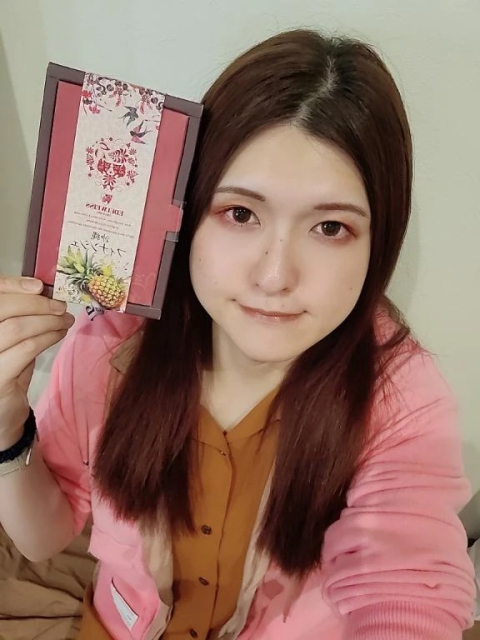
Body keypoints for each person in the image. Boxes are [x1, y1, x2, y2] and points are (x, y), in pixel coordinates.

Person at [0, 28, 475, 640]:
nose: (275, 276)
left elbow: (409, 584)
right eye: (241, 213)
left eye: (330, 228)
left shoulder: (401, 397)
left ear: (378, 242)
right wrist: (6, 427)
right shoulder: (111, 345)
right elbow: (44, 537)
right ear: (189, 212)